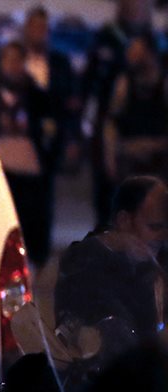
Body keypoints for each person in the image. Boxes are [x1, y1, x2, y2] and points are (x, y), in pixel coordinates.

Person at [55, 175, 168, 345]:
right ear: (124, 221)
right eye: (154, 227)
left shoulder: (150, 267)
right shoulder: (83, 267)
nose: (162, 237)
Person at [84, 0, 153, 224]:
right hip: (110, 123)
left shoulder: (154, 41)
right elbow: (92, 83)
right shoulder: (106, 38)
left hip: (145, 132)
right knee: (107, 189)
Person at [22, 6, 80, 264]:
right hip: (23, 138)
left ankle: (40, 252)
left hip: (50, 139)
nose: (39, 33)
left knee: (44, 199)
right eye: (34, 27)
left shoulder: (59, 62)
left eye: (43, 28)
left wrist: (71, 138)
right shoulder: (16, 59)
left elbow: (70, 103)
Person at [0, 42, 53, 267]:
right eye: (8, 60)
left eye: (17, 60)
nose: (12, 66)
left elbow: (47, 119)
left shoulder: (34, 93)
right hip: (0, 164)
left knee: (31, 217)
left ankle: (33, 260)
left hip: (29, 165)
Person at [105, 33, 168, 186]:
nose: (129, 54)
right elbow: (112, 123)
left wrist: (152, 145)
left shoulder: (165, 84)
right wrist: (110, 157)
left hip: (160, 162)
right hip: (129, 162)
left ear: (149, 53)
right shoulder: (124, 83)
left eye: (134, 49)